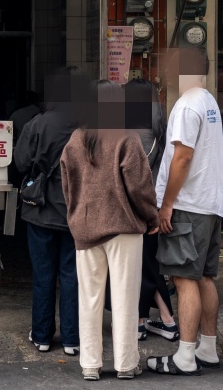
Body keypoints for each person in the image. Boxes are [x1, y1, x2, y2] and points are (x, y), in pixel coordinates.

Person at [61, 80, 159, 381]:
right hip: (123, 228)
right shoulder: (126, 137)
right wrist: (151, 217)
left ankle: (90, 364)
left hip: (86, 227)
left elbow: (67, 186)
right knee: (125, 298)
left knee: (89, 298)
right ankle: (126, 364)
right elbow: (140, 187)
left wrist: (76, 215)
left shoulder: (75, 139)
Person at [147, 47, 223, 376]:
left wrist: (166, 204)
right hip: (209, 203)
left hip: (188, 205)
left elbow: (182, 157)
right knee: (204, 276)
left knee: (183, 278)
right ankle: (207, 348)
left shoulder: (187, 103)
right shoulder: (208, 101)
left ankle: (185, 356)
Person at [16, 67, 87, 356]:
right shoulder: (86, 124)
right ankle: (72, 339)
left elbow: (20, 162)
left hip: (41, 210)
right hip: (76, 210)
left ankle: (43, 336)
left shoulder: (38, 124)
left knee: (43, 274)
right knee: (72, 274)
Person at [124, 77, 178, 342]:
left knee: (142, 267)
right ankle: (142, 321)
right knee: (146, 265)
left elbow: (132, 180)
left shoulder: (135, 135)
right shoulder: (159, 131)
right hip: (155, 204)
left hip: (140, 208)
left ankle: (164, 321)